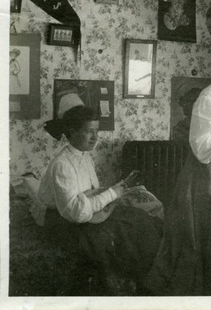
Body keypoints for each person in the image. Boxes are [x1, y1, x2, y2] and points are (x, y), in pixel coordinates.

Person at [144, 50, 211, 295]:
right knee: (206, 232)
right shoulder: (209, 97)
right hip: (206, 170)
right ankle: (201, 292)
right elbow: (200, 143)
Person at [38, 104, 163, 295]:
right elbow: (76, 212)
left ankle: (148, 280)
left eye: (97, 131)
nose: (95, 137)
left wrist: (118, 192)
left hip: (84, 213)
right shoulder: (62, 164)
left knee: (140, 217)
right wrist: (113, 193)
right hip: (63, 222)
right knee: (122, 230)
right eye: (89, 131)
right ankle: (128, 287)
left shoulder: (85, 156)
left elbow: (91, 192)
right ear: (72, 131)